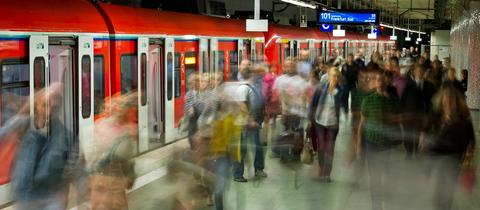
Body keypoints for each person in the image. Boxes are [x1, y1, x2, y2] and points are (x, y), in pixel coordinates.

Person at [12, 84, 77, 210]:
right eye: (44, 105)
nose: (49, 112)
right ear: (36, 105)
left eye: (54, 107)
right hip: (25, 202)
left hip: (50, 202)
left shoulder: (67, 138)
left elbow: (72, 173)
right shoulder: (25, 128)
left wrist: (63, 198)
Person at [421, 84, 475, 210]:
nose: (448, 101)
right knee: (439, 194)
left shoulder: (463, 119)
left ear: (456, 101)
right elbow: (428, 134)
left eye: (451, 99)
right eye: (445, 98)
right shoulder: (436, 116)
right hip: (438, 159)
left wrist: (468, 157)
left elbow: (471, 140)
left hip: (454, 160)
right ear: (441, 100)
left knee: (448, 194)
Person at [356, 69, 400, 210]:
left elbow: (398, 120)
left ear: (387, 82)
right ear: (375, 83)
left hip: (388, 144)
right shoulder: (368, 100)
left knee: (389, 174)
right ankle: (376, 206)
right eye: (377, 80)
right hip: (372, 143)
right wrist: (358, 144)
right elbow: (362, 124)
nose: (380, 82)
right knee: (375, 177)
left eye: (382, 80)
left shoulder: (393, 100)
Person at [308, 67, 344, 181]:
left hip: (333, 124)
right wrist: (310, 120)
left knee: (330, 149)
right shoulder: (320, 89)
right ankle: (321, 170)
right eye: (334, 76)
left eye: (338, 77)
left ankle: (327, 174)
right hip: (320, 123)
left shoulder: (340, 91)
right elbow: (312, 104)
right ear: (329, 77)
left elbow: (342, 106)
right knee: (322, 148)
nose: (336, 79)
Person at [232, 66, 266, 182]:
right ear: (251, 75)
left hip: (251, 122)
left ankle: (258, 168)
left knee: (257, 146)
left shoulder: (252, 87)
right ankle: (237, 174)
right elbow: (241, 104)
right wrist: (250, 119)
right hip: (243, 124)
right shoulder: (243, 88)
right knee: (242, 149)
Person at [401, 64, 435, 159]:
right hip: (409, 113)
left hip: (422, 114)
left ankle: (416, 151)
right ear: (414, 72)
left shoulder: (429, 86)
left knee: (418, 133)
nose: (419, 73)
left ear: (424, 72)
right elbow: (403, 100)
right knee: (408, 133)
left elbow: (433, 101)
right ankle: (409, 152)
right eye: (417, 71)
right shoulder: (408, 85)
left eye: (421, 71)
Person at [184, 74, 199, 149]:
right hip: (193, 117)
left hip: (199, 116)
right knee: (191, 134)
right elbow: (186, 104)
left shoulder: (200, 92)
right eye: (191, 82)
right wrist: (189, 108)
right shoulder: (189, 93)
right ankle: (193, 148)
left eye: (194, 81)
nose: (193, 83)